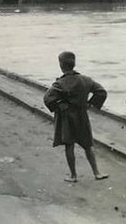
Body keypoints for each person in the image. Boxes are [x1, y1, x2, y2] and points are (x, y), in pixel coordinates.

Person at [43, 51, 109, 183]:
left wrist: (60, 104)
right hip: (81, 116)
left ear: (61, 65)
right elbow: (101, 92)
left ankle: (73, 176)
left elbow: (47, 97)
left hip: (67, 119)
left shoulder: (60, 83)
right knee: (88, 145)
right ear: (74, 63)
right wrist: (90, 103)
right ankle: (97, 172)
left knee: (69, 145)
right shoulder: (86, 80)